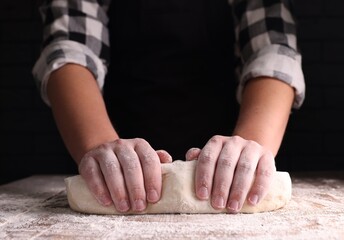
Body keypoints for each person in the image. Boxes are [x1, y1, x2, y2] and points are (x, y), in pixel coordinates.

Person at [33, 0, 305, 214]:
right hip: (111, 139)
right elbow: (70, 47)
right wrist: (98, 145)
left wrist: (250, 146)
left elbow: (272, 49)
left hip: (227, 137)